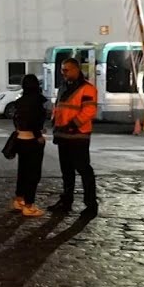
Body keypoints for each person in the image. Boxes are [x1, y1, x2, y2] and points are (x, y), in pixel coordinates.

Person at [48, 58, 99, 217]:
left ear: (76, 70)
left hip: (78, 136)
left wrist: (72, 125)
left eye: (66, 70)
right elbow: (58, 108)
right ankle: (66, 201)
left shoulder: (87, 89)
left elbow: (89, 111)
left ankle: (91, 204)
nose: (63, 73)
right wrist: (55, 124)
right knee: (67, 171)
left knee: (83, 170)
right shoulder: (64, 87)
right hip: (64, 135)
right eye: (62, 70)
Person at [9, 74, 47, 218]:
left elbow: (17, 119)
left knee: (23, 171)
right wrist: (39, 135)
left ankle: (19, 199)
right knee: (33, 174)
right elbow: (34, 121)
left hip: (20, 139)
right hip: (32, 140)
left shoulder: (20, 102)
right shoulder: (37, 101)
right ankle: (29, 205)